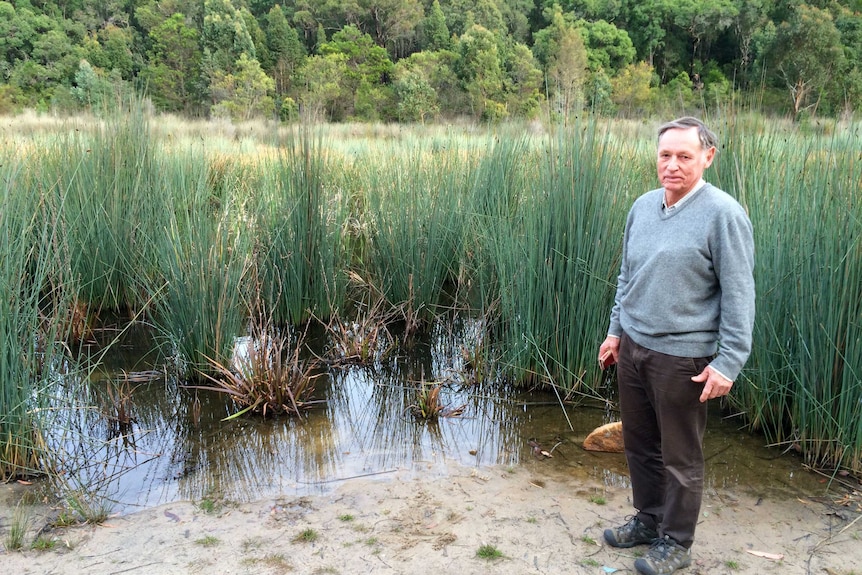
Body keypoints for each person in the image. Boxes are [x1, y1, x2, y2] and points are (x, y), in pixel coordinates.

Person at [598, 117, 755, 575]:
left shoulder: (723, 214)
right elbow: (627, 277)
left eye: (684, 156)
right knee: (640, 444)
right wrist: (614, 333)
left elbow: (739, 293)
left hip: (684, 357)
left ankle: (677, 542)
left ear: (707, 157)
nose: (672, 165)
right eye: (665, 155)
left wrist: (728, 363)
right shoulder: (642, 207)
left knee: (681, 456)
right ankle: (648, 520)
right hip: (634, 348)